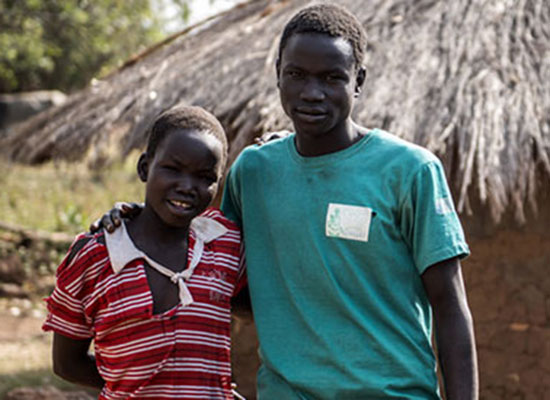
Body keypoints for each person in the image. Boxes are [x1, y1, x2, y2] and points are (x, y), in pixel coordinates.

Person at [95, 4, 479, 399]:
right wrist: (137, 219)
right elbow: (217, 270)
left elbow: (450, 306)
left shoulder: (409, 170)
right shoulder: (255, 171)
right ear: (278, 72)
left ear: (358, 80)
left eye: (332, 78)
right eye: (296, 75)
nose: (312, 93)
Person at [43, 105, 247, 400]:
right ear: (144, 167)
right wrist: (133, 387)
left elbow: (259, 305)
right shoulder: (93, 257)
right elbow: (66, 364)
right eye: (172, 169)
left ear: (217, 184)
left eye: (204, 176)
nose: (187, 186)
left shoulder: (224, 246)